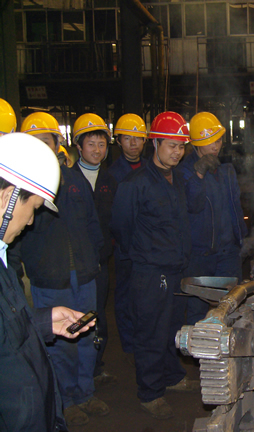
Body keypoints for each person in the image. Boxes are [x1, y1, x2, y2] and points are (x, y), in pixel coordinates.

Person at [12, 112, 107, 427]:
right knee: (61, 344)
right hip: (50, 279)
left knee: (87, 336)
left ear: (57, 143)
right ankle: (67, 400)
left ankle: (86, 392)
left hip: (84, 275)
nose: (43, 146)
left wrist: (94, 259)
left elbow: (92, 222)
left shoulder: (74, 178)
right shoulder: (22, 183)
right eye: (36, 141)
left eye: (47, 140)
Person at [110, 111, 195, 420]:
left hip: (176, 268)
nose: (177, 152)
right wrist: (145, 254)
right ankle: (150, 392)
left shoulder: (178, 178)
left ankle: (171, 376)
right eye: (171, 145)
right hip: (150, 271)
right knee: (151, 332)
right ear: (155, 144)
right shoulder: (135, 183)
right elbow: (121, 227)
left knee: (171, 327)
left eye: (181, 146)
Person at [176, 112, 247, 325]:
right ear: (196, 143)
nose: (216, 146)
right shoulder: (184, 171)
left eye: (218, 140)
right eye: (210, 142)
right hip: (199, 256)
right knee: (197, 310)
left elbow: (235, 206)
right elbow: (193, 206)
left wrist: (241, 238)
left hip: (228, 253)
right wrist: (198, 176)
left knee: (232, 308)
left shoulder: (226, 169)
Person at [71, 113, 118, 385]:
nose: (97, 150)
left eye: (101, 144)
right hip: (73, 264)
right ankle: (76, 371)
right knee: (75, 316)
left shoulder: (110, 181)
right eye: (91, 144)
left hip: (99, 263)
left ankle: (95, 365)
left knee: (97, 314)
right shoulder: (67, 179)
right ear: (79, 146)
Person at [109, 113, 148, 357]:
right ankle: (130, 346)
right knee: (125, 297)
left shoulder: (152, 168)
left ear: (145, 141)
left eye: (138, 138)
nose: (133, 143)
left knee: (145, 297)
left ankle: (144, 341)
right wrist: (123, 244)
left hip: (148, 246)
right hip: (125, 247)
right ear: (118, 141)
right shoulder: (112, 174)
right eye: (127, 138)